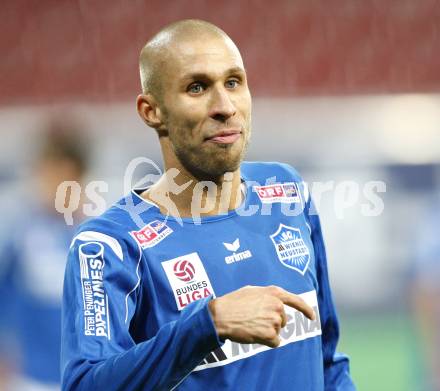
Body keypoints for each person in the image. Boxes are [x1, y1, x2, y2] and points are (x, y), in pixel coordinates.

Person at [61, 19, 355, 390]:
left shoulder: (287, 192)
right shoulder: (112, 246)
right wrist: (208, 324)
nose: (225, 106)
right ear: (151, 111)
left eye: (233, 82)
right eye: (197, 87)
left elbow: (327, 361)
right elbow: (84, 383)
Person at [0, 120, 88, 391]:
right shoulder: (22, 233)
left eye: (63, 178)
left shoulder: (100, 235)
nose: (54, 187)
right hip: (32, 379)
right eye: (48, 176)